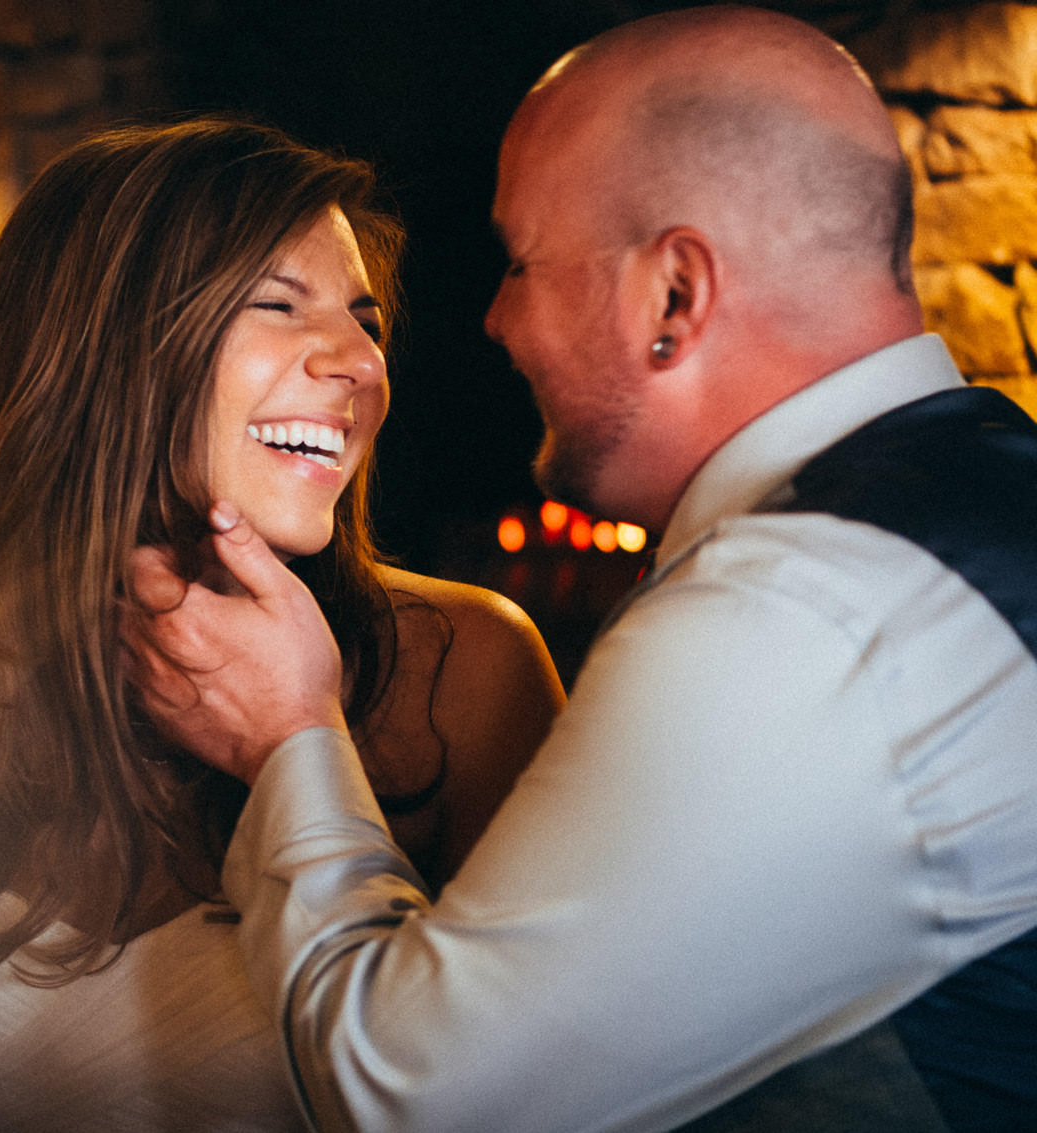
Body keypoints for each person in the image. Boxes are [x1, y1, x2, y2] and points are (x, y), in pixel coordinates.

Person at [128, 8, 1037, 1132]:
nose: (496, 321)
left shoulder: (796, 610)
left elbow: (419, 1098)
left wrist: (288, 739)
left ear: (672, 297)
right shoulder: (979, 493)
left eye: (519, 262)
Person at [0, 116, 563, 1131]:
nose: (357, 364)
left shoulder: (466, 671)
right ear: (107, 348)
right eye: (280, 306)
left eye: (366, 322)